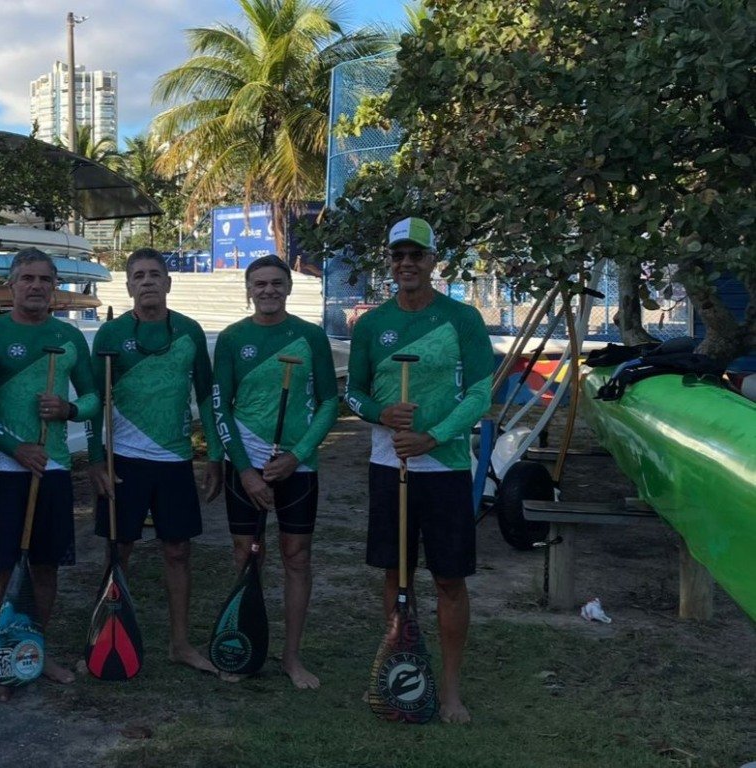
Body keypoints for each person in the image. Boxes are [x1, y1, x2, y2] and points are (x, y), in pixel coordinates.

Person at [345, 217, 494, 724]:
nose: (406, 263)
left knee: (449, 579)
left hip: (445, 466)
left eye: (416, 255)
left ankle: (451, 689)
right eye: (397, 255)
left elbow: (480, 393)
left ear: (433, 261)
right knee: (397, 574)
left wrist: (433, 435)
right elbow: (353, 392)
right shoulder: (369, 324)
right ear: (389, 261)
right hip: (390, 466)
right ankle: (401, 668)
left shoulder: (462, 319)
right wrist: (379, 414)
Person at [88, 247, 225, 676]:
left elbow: (207, 394)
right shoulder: (110, 335)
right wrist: (96, 460)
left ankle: (180, 643)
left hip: (175, 460)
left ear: (168, 282)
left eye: (154, 275)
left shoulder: (189, 331)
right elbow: (95, 402)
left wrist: (216, 455)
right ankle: (102, 636)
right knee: (118, 552)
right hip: (124, 459)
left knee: (178, 551)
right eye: (138, 276)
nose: (147, 281)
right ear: (128, 285)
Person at [0, 248, 100, 703]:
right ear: (11, 284)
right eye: (27, 278)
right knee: (6, 570)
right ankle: (0, 657)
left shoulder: (69, 336)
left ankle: (35, 651)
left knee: (46, 568)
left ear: (54, 287)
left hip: (54, 466)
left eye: (45, 279)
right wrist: (16, 448)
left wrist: (67, 409)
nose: (36, 286)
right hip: (7, 468)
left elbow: (92, 400)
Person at [212, 254, 338, 690]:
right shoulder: (231, 339)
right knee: (248, 556)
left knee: (296, 557)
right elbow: (219, 408)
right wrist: (245, 470)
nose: (268, 290)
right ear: (249, 289)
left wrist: (298, 453)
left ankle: (291, 656)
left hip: (296, 465)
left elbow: (328, 402)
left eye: (276, 283)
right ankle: (245, 642)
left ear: (288, 287)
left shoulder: (309, 336)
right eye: (259, 284)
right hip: (245, 463)